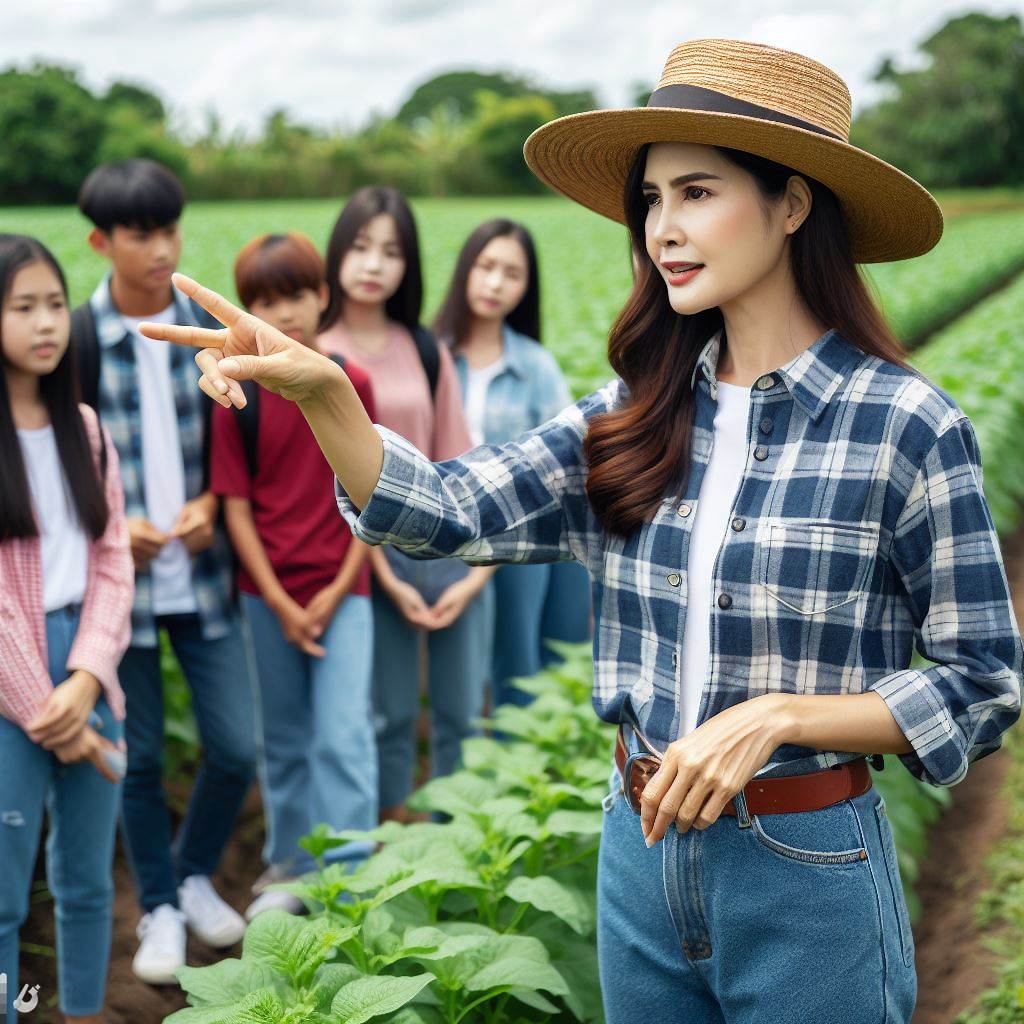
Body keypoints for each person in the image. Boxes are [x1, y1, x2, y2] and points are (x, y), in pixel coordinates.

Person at [140, 39, 1024, 1023]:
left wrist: (785, 715)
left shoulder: (903, 423)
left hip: (805, 865)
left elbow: (979, 681)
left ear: (791, 203)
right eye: (650, 200)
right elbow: (444, 511)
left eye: (697, 193)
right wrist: (325, 394)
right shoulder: (629, 414)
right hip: (636, 852)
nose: (662, 230)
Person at [73, 158, 256, 983]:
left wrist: (216, 504)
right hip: (121, 586)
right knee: (139, 757)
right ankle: (156, 904)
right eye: (142, 234)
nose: (162, 248)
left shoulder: (208, 323)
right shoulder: (77, 340)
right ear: (100, 241)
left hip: (203, 572)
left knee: (235, 746)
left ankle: (187, 876)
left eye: (170, 229)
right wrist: (113, 527)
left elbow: (243, 438)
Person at [209, 232, 378, 919]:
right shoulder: (234, 390)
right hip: (266, 594)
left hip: (346, 589)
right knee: (279, 738)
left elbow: (376, 491)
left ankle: (350, 875)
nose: (284, 313)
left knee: (342, 734)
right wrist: (279, 599)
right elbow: (236, 507)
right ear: (246, 310)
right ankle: (290, 864)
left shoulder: (348, 382)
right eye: (264, 301)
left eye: (296, 296)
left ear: (322, 297)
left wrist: (335, 592)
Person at [317, 186, 495, 822]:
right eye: (361, 247)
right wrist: (384, 578)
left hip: (449, 555)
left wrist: (475, 580)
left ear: (408, 266)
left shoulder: (425, 349)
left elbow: (463, 466)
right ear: (337, 254)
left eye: (391, 252)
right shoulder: (314, 354)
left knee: (458, 713)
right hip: (368, 561)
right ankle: (395, 840)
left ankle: (455, 846)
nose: (373, 265)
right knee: (390, 716)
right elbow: (324, 487)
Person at [0, 234, 133, 1022]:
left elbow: (113, 562)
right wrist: (52, 712)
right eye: (23, 309)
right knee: (4, 895)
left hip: (89, 668)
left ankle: (83, 1013)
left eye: (55, 304)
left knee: (88, 884)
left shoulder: (85, 428)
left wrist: (84, 680)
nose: (47, 323)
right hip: (13, 687)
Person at [433, 218, 585, 707]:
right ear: (465, 270)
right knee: (451, 671)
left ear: (526, 287)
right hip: (441, 527)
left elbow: (562, 461)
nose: (496, 283)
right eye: (486, 267)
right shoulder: (431, 353)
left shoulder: (535, 364)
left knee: (517, 666)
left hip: (518, 533)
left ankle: (509, 764)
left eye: (512, 274)